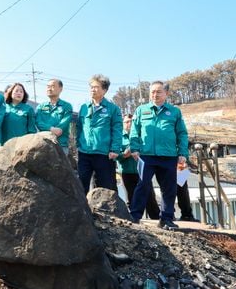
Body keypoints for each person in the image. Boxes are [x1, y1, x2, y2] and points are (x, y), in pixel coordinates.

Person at [129, 81, 189, 230]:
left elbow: (182, 133)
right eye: (152, 92)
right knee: (142, 185)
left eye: (158, 92)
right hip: (146, 155)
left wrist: (182, 153)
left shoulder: (174, 112)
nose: (155, 95)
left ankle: (166, 219)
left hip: (169, 156)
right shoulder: (141, 110)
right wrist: (135, 148)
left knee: (169, 188)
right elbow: (135, 131)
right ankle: (135, 216)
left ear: (166, 94)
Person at [76, 74, 122, 194]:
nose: (92, 89)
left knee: (106, 187)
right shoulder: (84, 107)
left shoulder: (113, 109)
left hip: (104, 154)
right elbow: (79, 127)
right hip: (84, 153)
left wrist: (115, 149)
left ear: (105, 90)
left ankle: (106, 212)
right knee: (81, 186)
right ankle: (82, 212)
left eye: (96, 87)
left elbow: (117, 130)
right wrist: (78, 144)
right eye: (91, 86)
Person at [118, 113, 160, 218]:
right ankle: (133, 218)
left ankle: (156, 217)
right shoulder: (119, 137)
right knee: (131, 197)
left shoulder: (141, 135)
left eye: (131, 122)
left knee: (149, 196)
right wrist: (124, 155)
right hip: (126, 171)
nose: (129, 124)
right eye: (127, 122)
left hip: (141, 171)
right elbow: (115, 155)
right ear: (123, 124)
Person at [35, 78, 73, 154]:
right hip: (43, 144)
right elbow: (38, 122)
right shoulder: (40, 107)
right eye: (48, 86)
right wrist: (51, 129)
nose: (49, 89)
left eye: (52, 86)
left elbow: (63, 125)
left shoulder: (67, 106)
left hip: (60, 145)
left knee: (61, 166)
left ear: (60, 89)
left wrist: (57, 130)